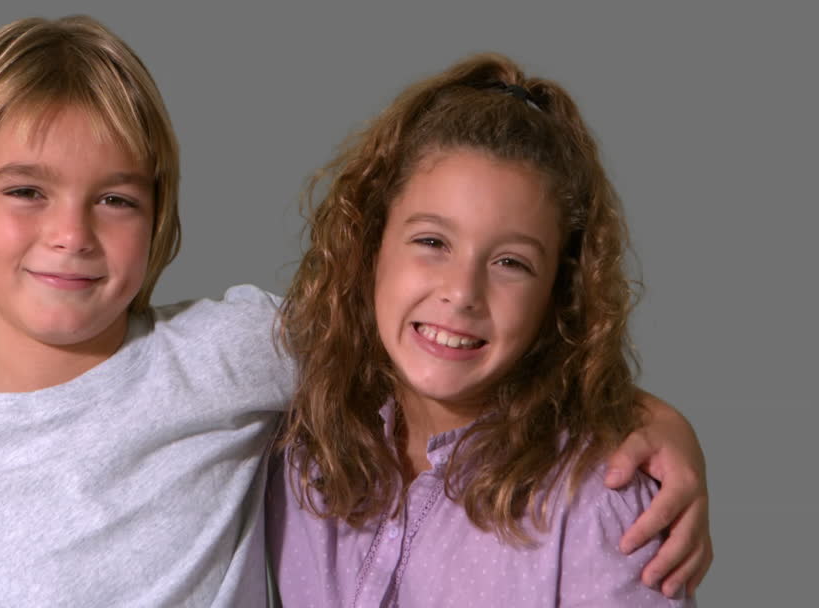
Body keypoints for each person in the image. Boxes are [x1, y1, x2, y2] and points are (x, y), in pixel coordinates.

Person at [0, 16, 710, 607]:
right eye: (27, 191)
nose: (70, 234)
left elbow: (423, 338)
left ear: (158, 218)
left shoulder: (229, 353)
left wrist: (651, 418)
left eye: (116, 199)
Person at [268, 53, 703, 606]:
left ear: (559, 294)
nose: (462, 292)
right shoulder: (296, 441)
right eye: (432, 242)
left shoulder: (600, 505)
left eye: (511, 263)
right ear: (370, 246)